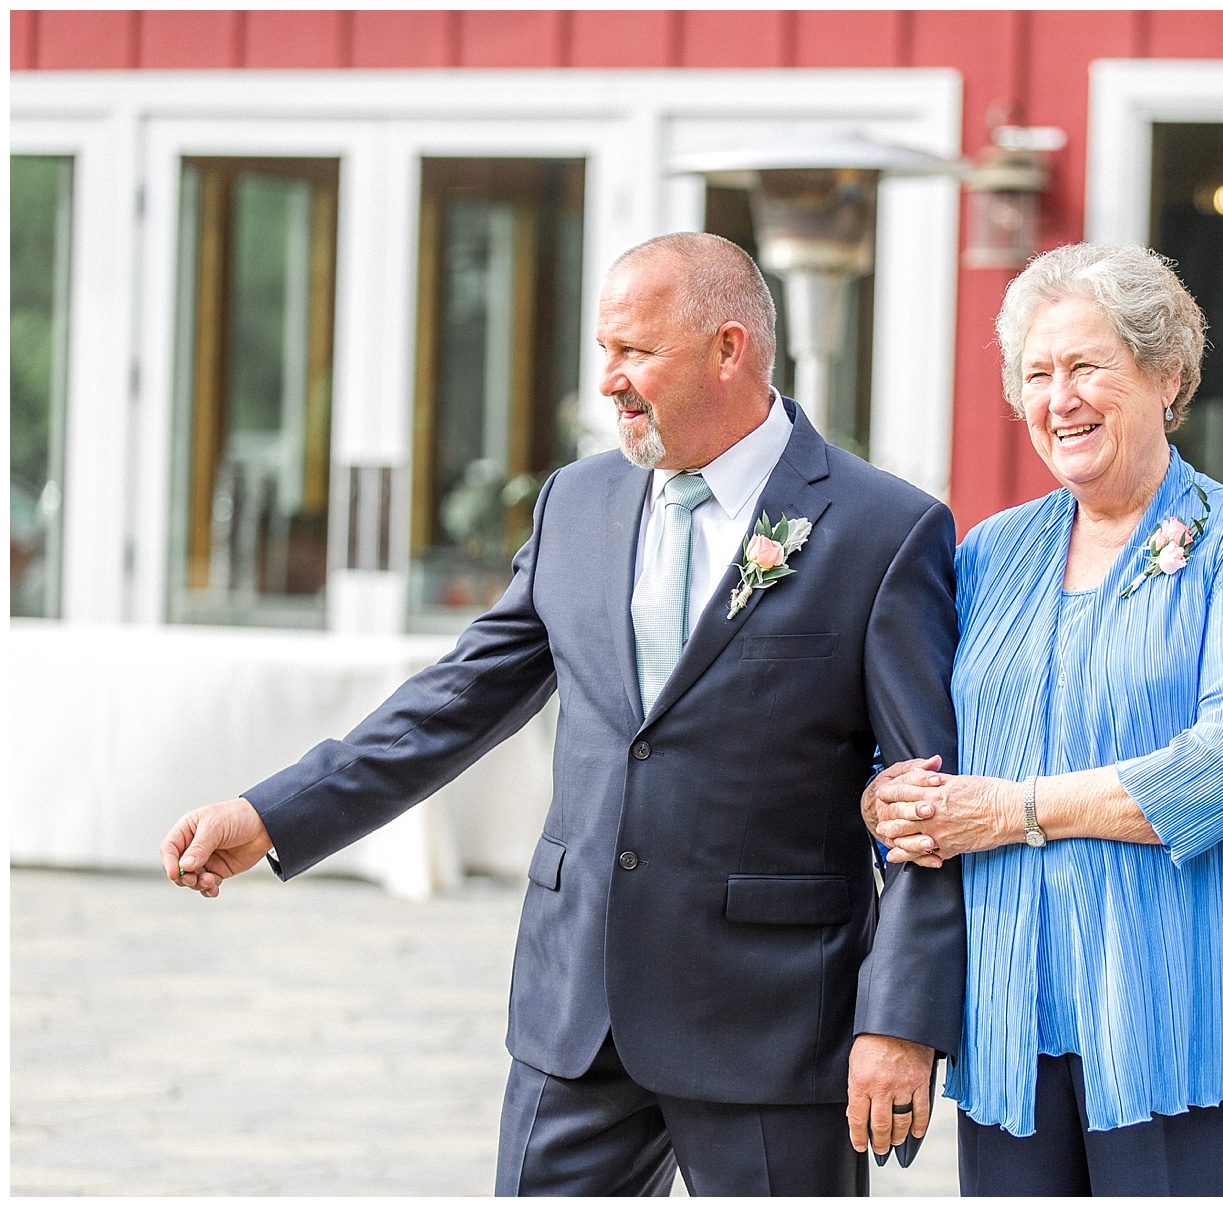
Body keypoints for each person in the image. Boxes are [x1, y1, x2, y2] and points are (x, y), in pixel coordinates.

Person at [159, 231, 965, 1197]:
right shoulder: (577, 502)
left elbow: (931, 800)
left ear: (729, 348)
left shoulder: (883, 527)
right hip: (576, 1009)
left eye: (636, 353)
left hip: (774, 1020)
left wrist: (899, 1017)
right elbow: (457, 701)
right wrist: (272, 812)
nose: (611, 383)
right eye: (604, 353)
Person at [868, 242, 1223, 1196]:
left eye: (1087, 367)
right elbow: (929, 742)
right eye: (1037, 374)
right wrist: (888, 797)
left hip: (1188, 1020)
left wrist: (1012, 812)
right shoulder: (992, 554)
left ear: (1165, 376)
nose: (1058, 397)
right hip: (1014, 1021)